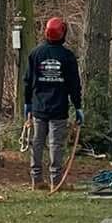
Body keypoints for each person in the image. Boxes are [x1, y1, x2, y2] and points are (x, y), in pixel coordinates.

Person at [24, 15, 83, 191]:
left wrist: (28, 104)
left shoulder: (36, 53)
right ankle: (56, 181)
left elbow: (28, 81)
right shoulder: (67, 56)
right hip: (58, 108)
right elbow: (74, 84)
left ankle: (36, 179)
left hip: (39, 107)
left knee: (37, 142)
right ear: (62, 34)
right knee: (55, 144)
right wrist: (78, 106)